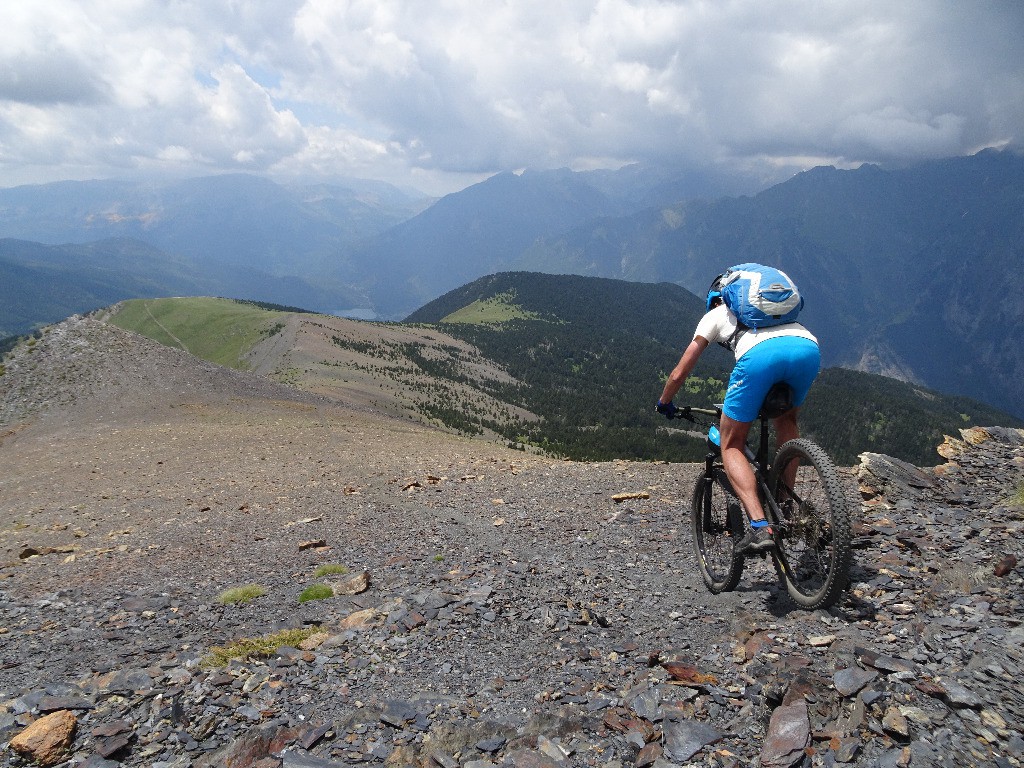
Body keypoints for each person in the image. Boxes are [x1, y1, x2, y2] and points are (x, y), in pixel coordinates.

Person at [656, 268, 820, 553]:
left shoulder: (716, 314)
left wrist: (665, 401)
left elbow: (680, 372)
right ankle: (784, 505)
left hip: (759, 358)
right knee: (787, 420)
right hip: (807, 347)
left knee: (731, 443)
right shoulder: (774, 311)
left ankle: (759, 526)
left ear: (716, 298)